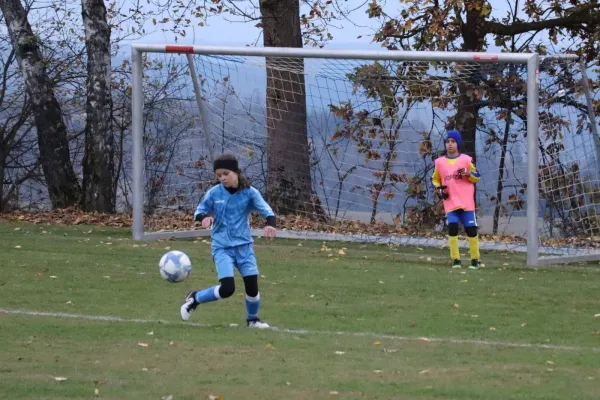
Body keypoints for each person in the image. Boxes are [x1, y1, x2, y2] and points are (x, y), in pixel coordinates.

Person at [180, 152, 277, 328]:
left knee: (252, 288)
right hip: (222, 247)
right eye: (219, 175)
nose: (222, 178)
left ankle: (252, 320)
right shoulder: (214, 193)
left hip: (244, 247)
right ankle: (195, 298)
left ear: (236, 172)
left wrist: (270, 224)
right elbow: (199, 211)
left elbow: (267, 210)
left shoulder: (249, 193)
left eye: (226, 174)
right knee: (227, 289)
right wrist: (203, 218)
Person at [431, 130, 481, 270]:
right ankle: (456, 260)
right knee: (452, 229)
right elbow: (435, 179)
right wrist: (439, 188)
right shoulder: (440, 163)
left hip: (466, 202)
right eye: (448, 142)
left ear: (458, 143)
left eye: (453, 141)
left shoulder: (466, 160)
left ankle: (475, 259)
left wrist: (468, 173)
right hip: (450, 202)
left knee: (471, 230)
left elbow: (477, 176)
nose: (450, 144)